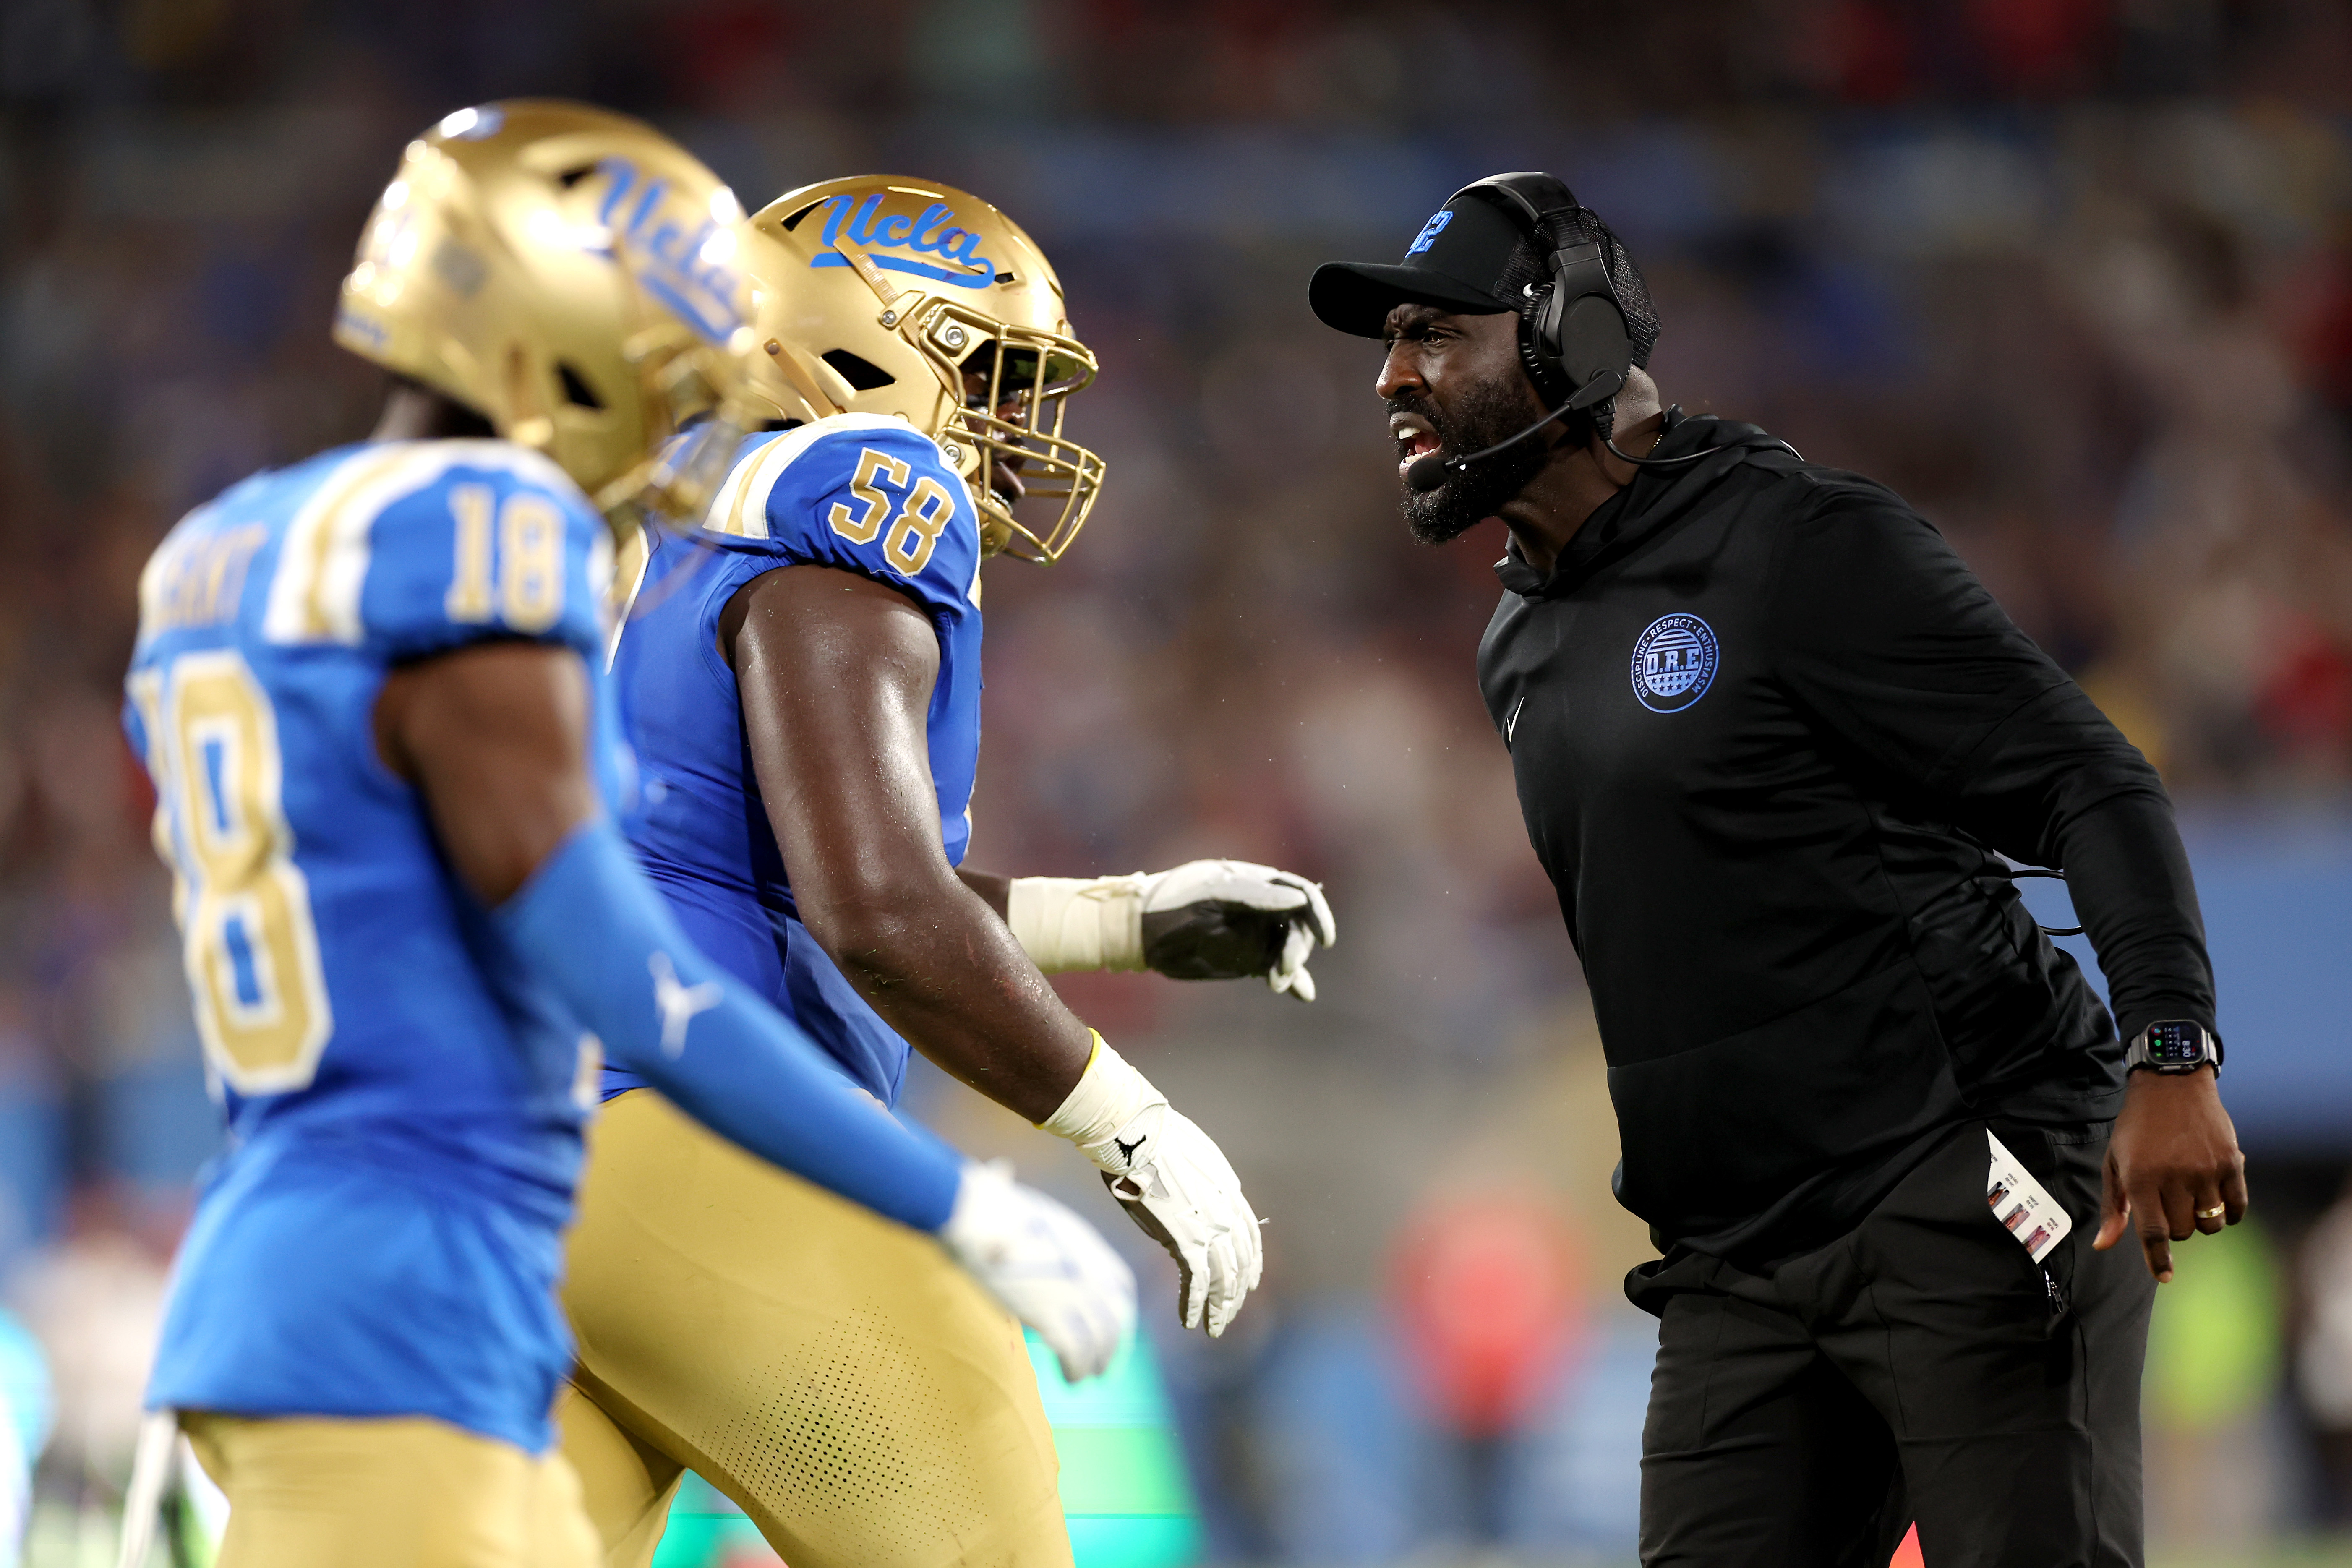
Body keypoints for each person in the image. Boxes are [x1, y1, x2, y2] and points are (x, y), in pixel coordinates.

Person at [122, 105, 1134, 1568]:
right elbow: (634, 970)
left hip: (310, 1257)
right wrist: (944, 1191)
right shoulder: (499, 541)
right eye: (665, 333)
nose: (689, 382)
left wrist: (1121, 918)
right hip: (497, 1191)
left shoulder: (218, 554)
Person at [1308, 172, 2247, 1567]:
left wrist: (2171, 1049)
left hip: (1962, 1185)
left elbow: (2085, 778)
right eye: (1391, 341)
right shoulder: (1518, 640)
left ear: (1571, 336)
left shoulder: (1798, 546)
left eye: (1435, 335)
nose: (1393, 378)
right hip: (1737, 1263)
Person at [556, 175, 1332, 1568]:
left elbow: (799, 874)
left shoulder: (675, 517)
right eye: (991, 374)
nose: (1014, 435)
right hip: (695, 1126)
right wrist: (1125, 1120)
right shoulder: (855, 478)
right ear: (862, 345)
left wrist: (1128, 918)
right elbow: (880, 915)